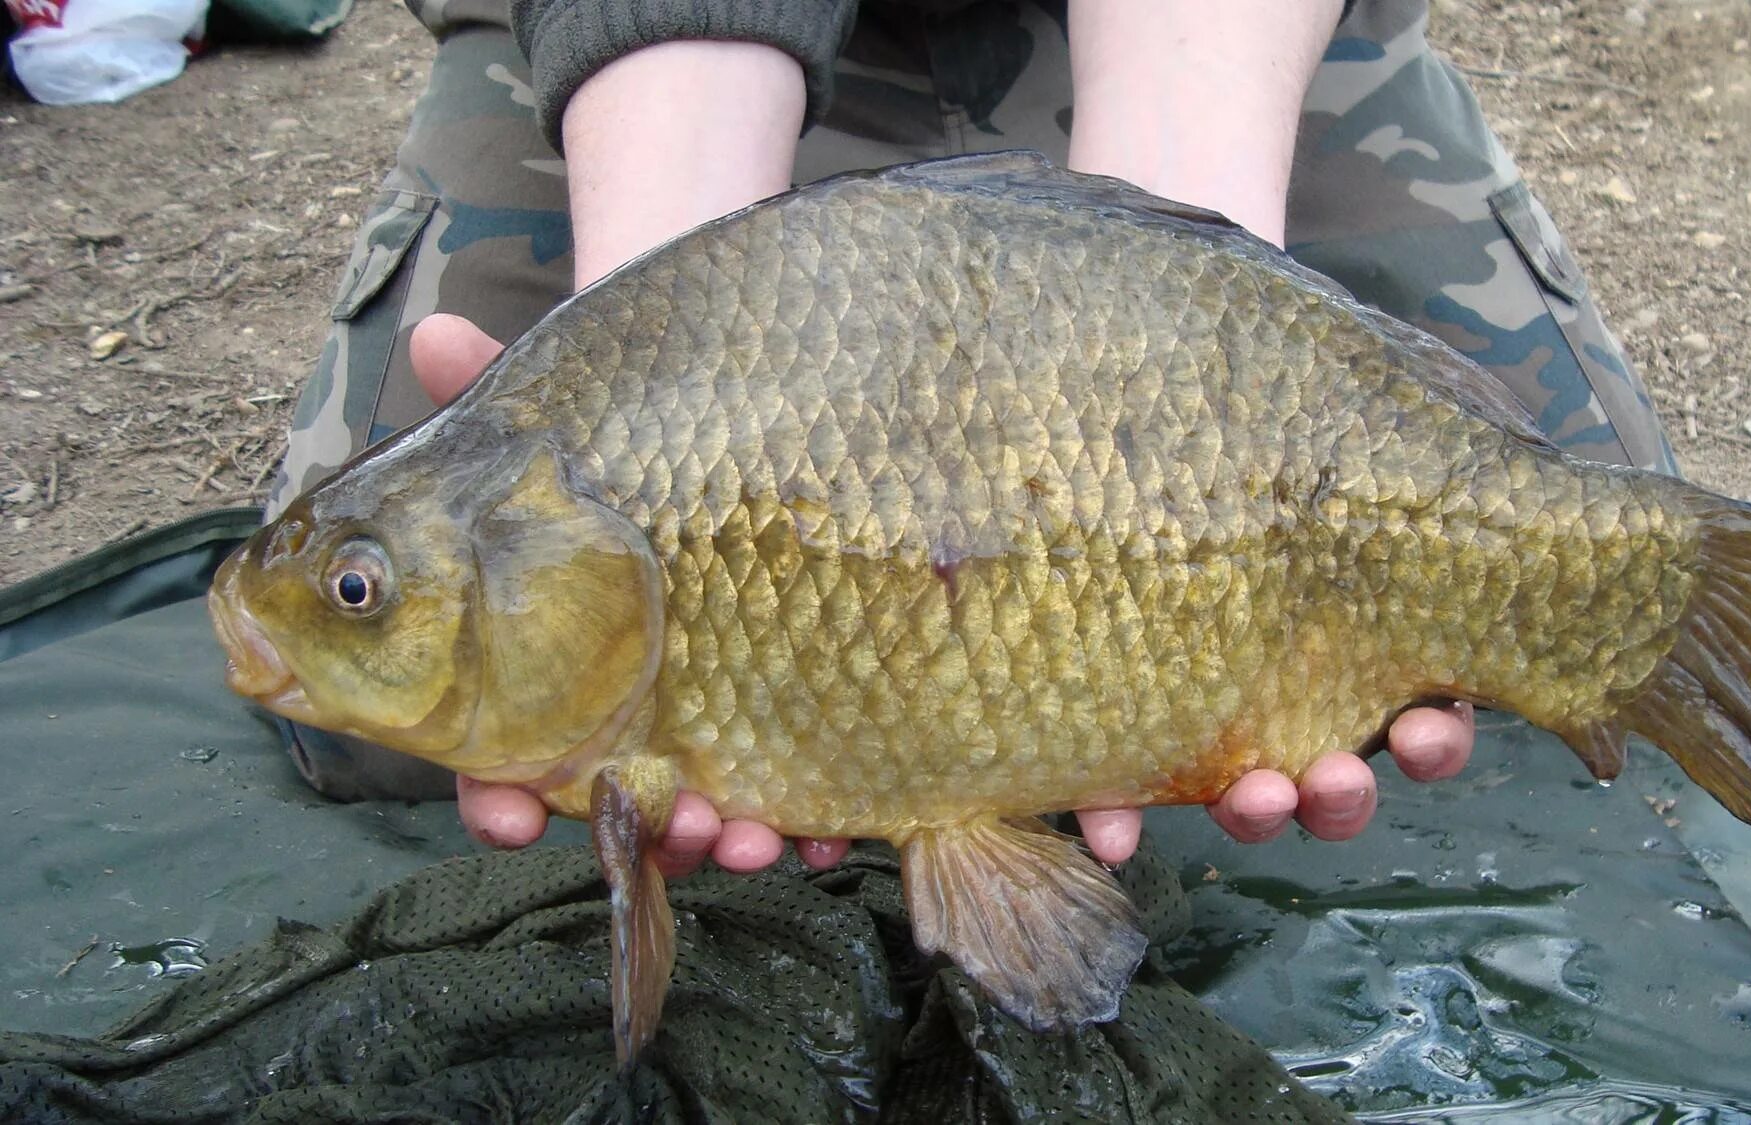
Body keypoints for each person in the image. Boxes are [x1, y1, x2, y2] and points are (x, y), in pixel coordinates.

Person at [265, 0, 1675, 877]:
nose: (348, 595)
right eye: (358, 585)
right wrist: (668, 287)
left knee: (1603, 569)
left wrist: (1178, 277)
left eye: (354, 587)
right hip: (650, 36)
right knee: (377, 741)